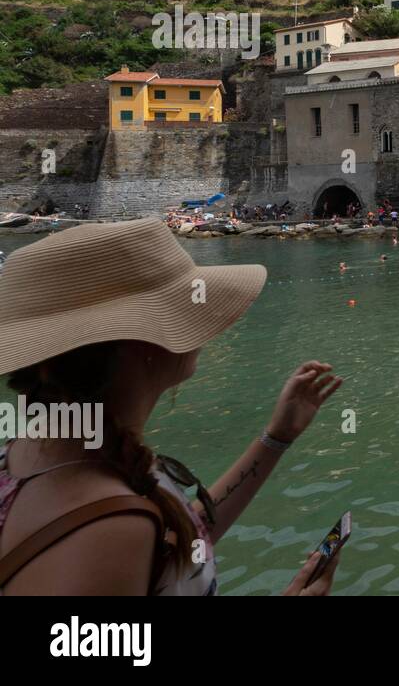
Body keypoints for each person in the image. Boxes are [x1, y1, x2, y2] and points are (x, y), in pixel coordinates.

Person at [0, 219, 343, 595]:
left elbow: (174, 544)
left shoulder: (39, 453)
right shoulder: (110, 531)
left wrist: (276, 438)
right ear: (143, 344)